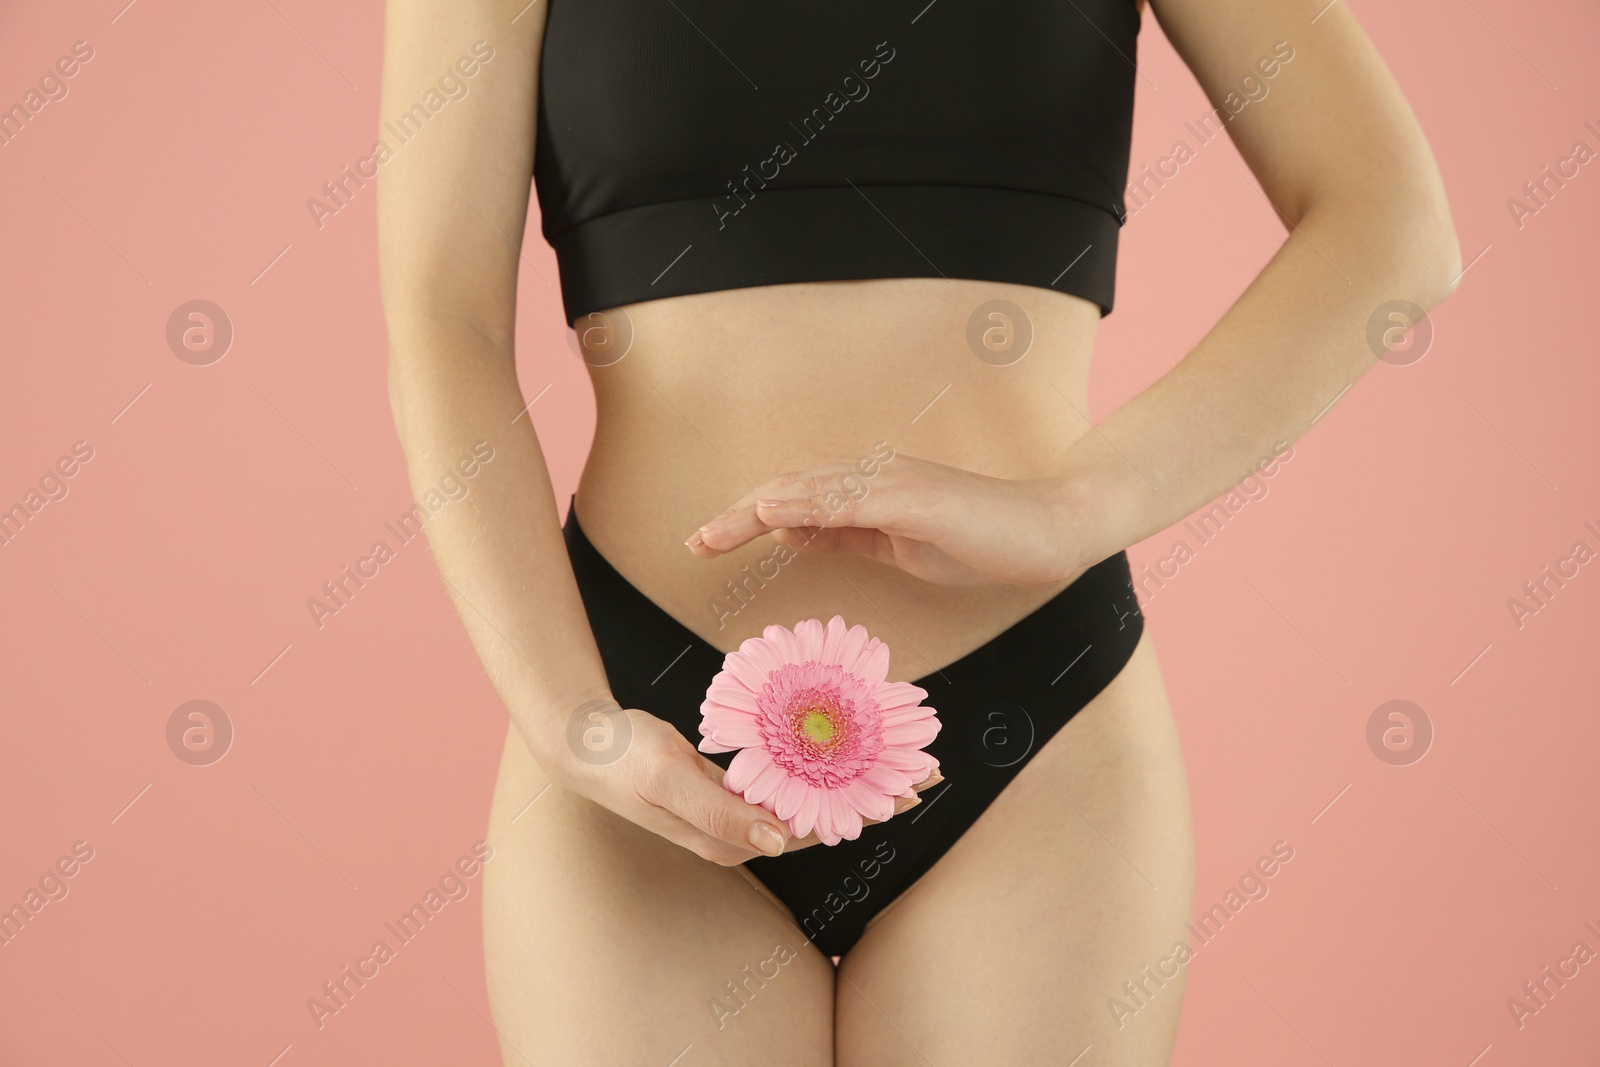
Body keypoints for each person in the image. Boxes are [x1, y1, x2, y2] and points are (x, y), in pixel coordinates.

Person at [376, 0, 1458, 1061]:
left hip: (1037, 717)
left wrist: (1079, 506)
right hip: (635, 708)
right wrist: (568, 715)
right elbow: (443, 322)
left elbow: (1392, 227)